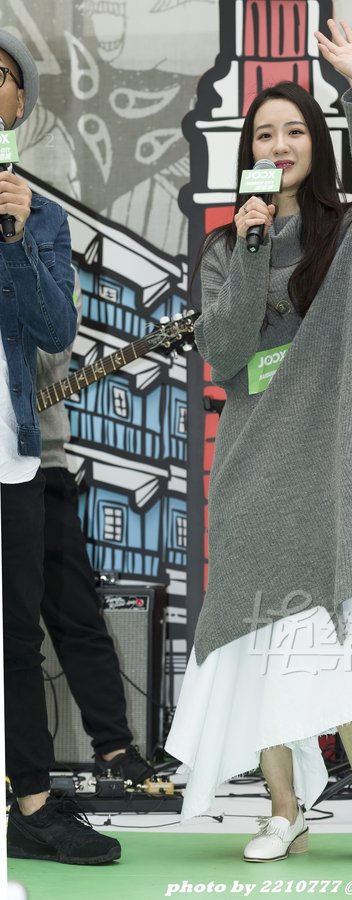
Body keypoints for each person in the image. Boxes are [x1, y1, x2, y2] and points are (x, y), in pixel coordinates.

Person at [166, 20, 352, 866]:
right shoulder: (225, 248)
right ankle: (283, 810)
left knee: (342, 653)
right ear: (248, 152)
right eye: (264, 134)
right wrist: (246, 244)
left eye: (294, 131)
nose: (279, 145)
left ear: (318, 143)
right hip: (248, 476)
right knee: (257, 648)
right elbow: (225, 350)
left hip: (325, 476)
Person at [0, 28, 120, 864]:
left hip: (11, 454)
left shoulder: (37, 216)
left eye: (1, 75)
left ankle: (33, 805)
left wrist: (13, 240)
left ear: (20, 104)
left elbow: (53, 330)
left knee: (15, 632)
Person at [37, 275, 155, 787]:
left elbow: (51, 355)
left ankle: (114, 748)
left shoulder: (49, 260)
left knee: (76, 616)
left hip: (39, 466)